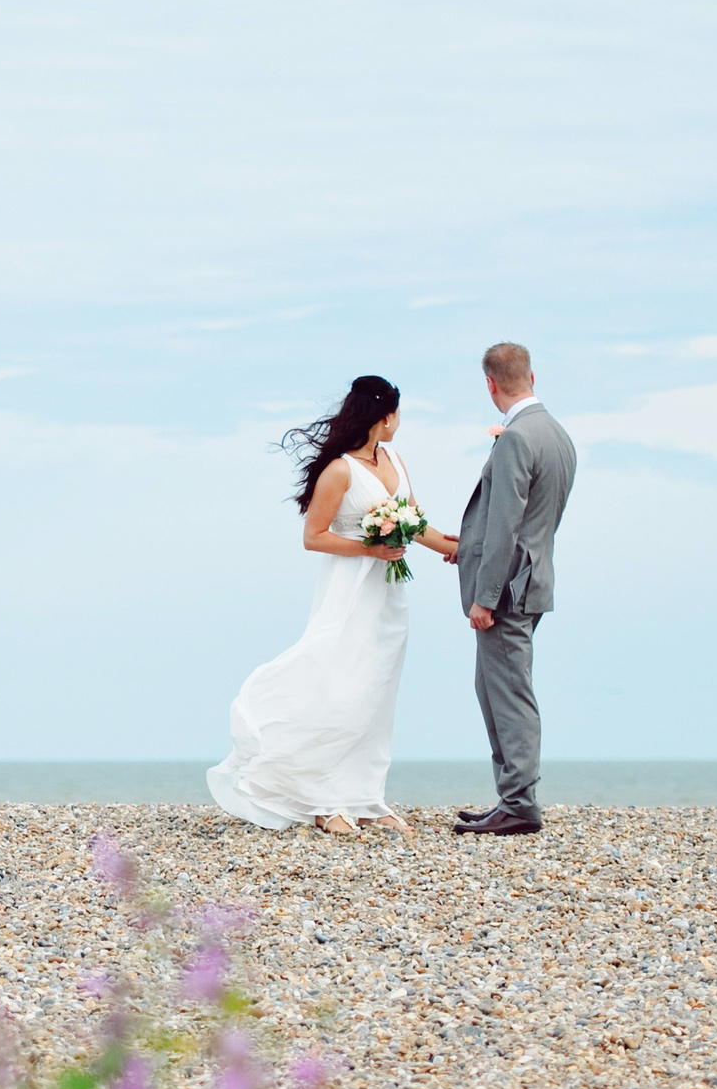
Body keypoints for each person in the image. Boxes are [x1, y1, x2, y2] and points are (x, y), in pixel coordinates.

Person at [209, 375, 460, 835]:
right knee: (341, 684)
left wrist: (453, 546)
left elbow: (415, 521)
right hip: (350, 589)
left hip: (388, 594)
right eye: (398, 414)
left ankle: (366, 796)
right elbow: (314, 537)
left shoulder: (395, 460)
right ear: (385, 416)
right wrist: (370, 548)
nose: (400, 422)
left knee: (377, 689)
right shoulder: (341, 470)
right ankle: (324, 799)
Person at [449, 342, 576, 837]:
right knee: (493, 686)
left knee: (509, 692)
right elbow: (533, 520)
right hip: (533, 574)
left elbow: (505, 524)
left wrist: (485, 595)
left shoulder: (518, 437)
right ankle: (511, 797)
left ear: (490, 384)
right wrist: (468, 547)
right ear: (532, 377)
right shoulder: (556, 434)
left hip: (506, 587)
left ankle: (519, 804)